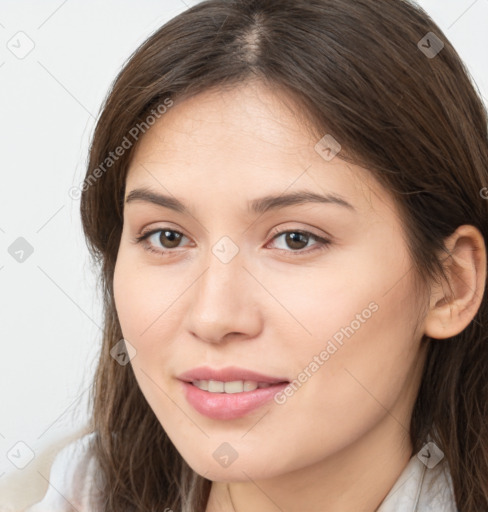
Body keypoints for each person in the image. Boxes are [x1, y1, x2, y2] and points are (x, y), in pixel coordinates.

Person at [25, 0, 488, 510]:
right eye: (167, 237)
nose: (214, 317)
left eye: (296, 239)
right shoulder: (70, 492)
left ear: (450, 284)